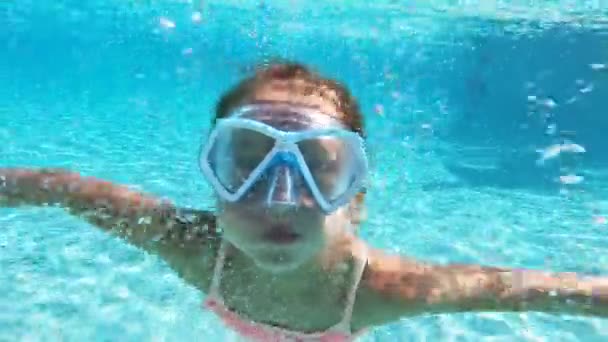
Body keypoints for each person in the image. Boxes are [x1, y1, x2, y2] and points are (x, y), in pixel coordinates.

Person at [1, 61, 607, 341]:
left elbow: (524, 289)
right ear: (214, 178)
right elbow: (65, 188)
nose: (282, 199)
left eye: (320, 171)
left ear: (357, 201)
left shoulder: (379, 291)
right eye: (248, 163)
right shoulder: (191, 247)